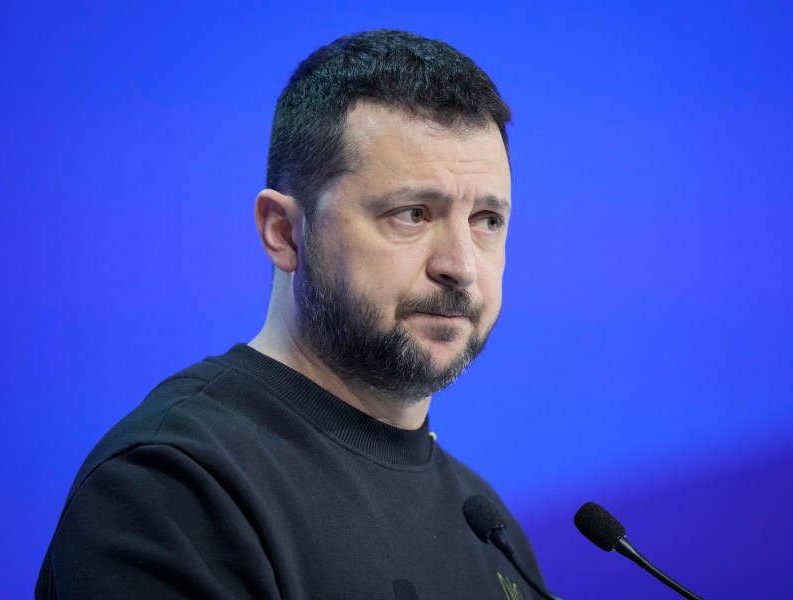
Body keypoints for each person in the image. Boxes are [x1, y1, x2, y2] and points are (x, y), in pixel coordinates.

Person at [37, 29, 544, 599]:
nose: (461, 265)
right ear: (283, 232)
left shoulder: (488, 527)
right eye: (412, 213)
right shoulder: (173, 485)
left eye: (487, 220)